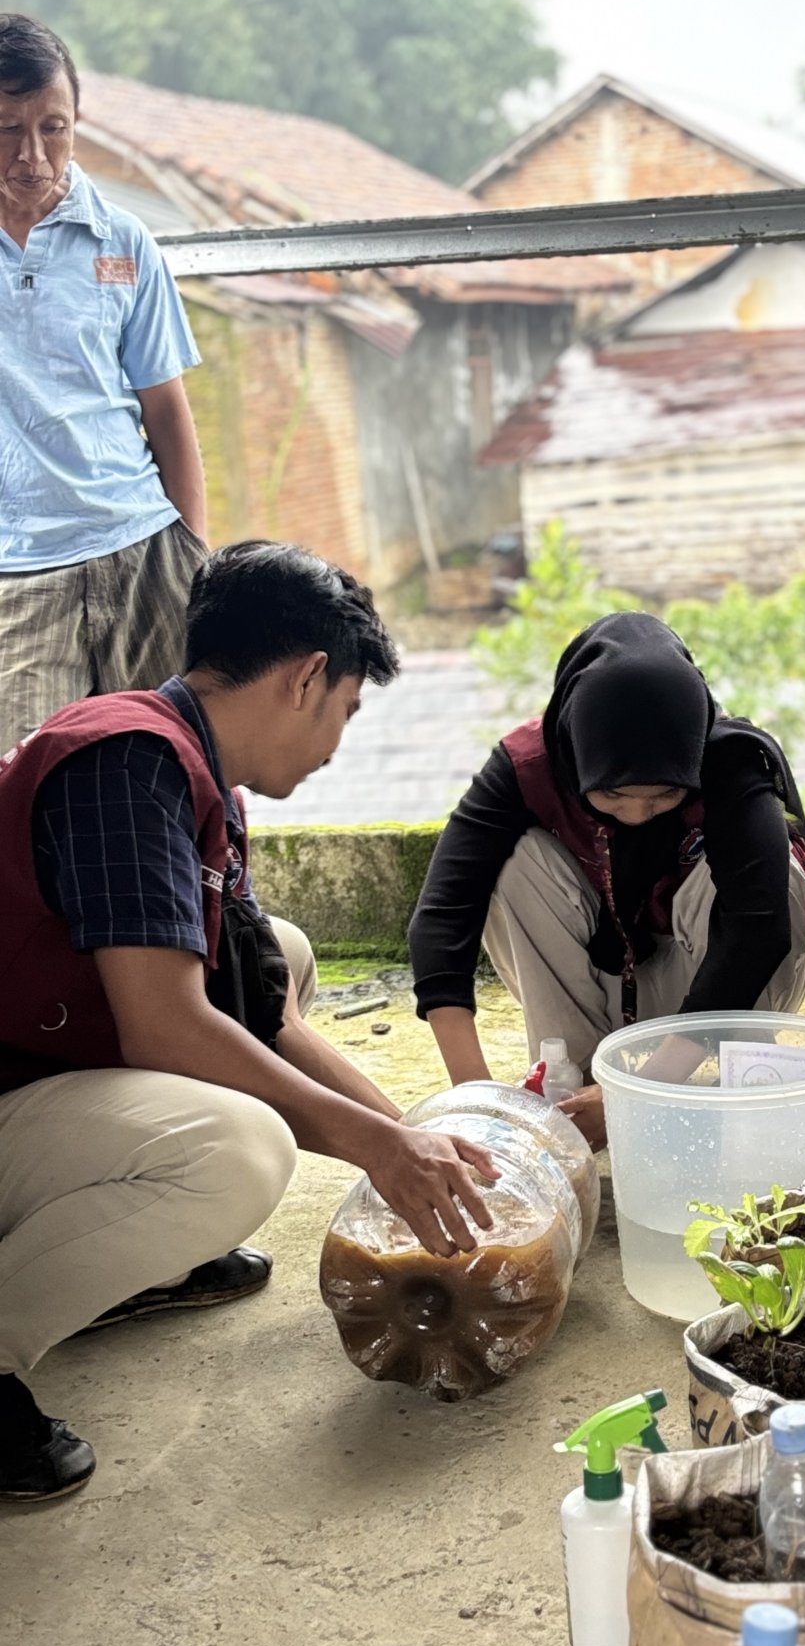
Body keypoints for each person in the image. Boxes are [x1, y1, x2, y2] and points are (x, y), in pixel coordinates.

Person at [0, 543, 496, 1504]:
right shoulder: (126, 762)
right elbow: (163, 1030)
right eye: (347, 709)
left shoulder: (194, 768)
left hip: (39, 1065)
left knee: (286, 955)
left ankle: (130, 1260)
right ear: (307, 678)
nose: (338, 741)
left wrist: (417, 1139)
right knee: (237, 1153)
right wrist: (378, 1149)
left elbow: (262, 1011)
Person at [409, 612, 805, 1146]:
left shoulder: (728, 759)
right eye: (612, 795)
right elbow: (444, 914)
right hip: (597, 985)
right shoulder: (529, 765)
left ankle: (727, 1080)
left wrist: (638, 1095)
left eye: (666, 794)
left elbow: (758, 927)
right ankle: (575, 1083)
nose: (637, 815)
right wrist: (477, 1100)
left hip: (713, 993)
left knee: (780, 877)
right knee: (514, 861)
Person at [0, 13, 208, 755]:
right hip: (19, 574)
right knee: (26, 786)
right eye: (7, 129)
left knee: (179, 767)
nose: (32, 155)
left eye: (53, 128)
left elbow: (167, 412)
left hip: (146, 551)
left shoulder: (123, 242)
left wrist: (193, 557)